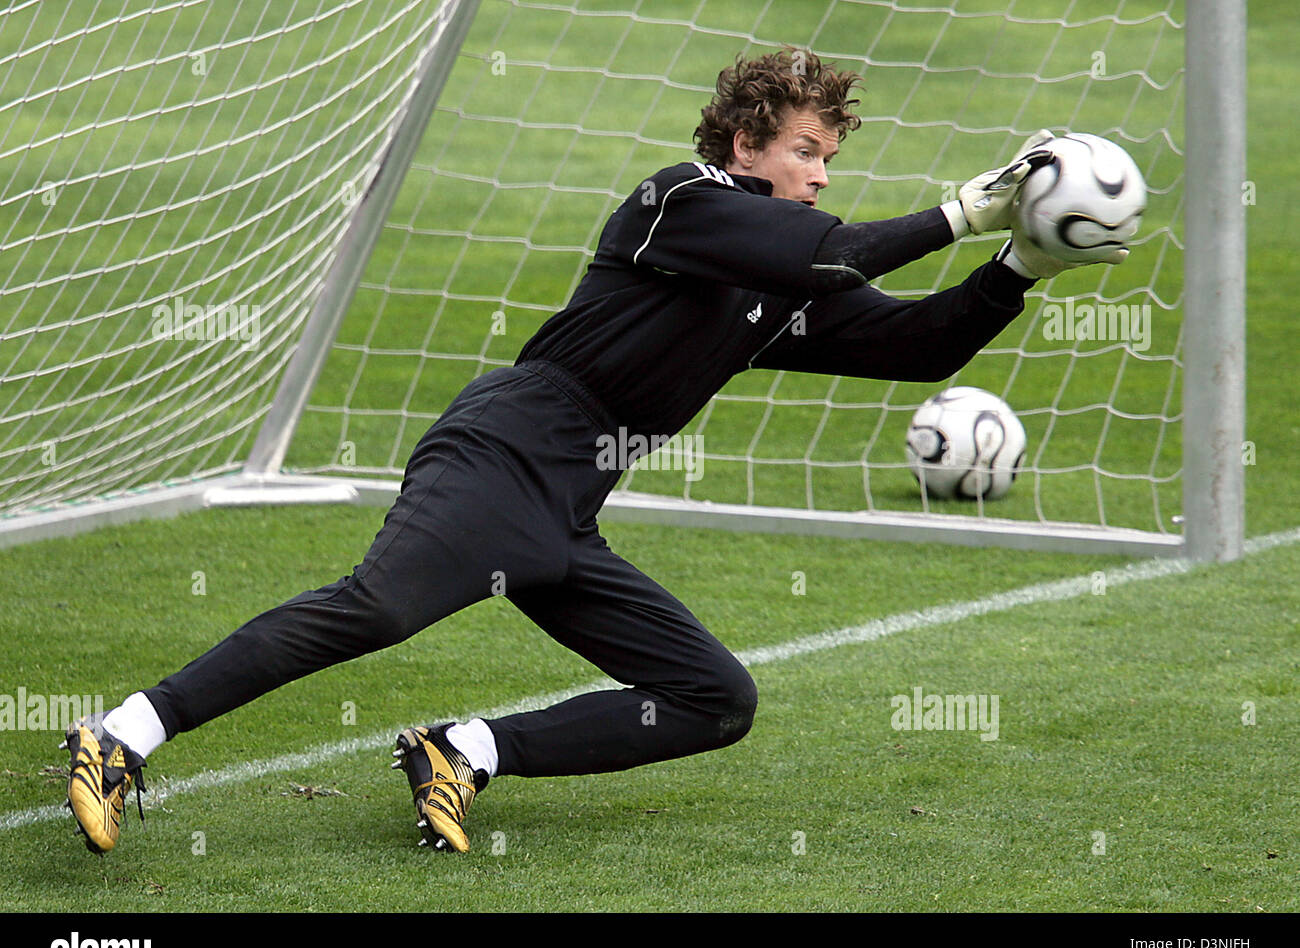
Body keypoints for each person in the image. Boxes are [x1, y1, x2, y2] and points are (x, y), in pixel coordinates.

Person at [62, 47, 1119, 855]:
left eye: (829, 159)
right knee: (381, 605)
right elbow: (837, 254)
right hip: (503, 451)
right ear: (743, 144)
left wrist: (1016, 267)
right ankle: (123, 734)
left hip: (563, 511)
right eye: (804, 151)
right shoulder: (683, 204)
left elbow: (913, 344)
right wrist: (959, 211)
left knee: (715, 700)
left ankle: (464, 751)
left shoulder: (776, 288)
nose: (818, 175)